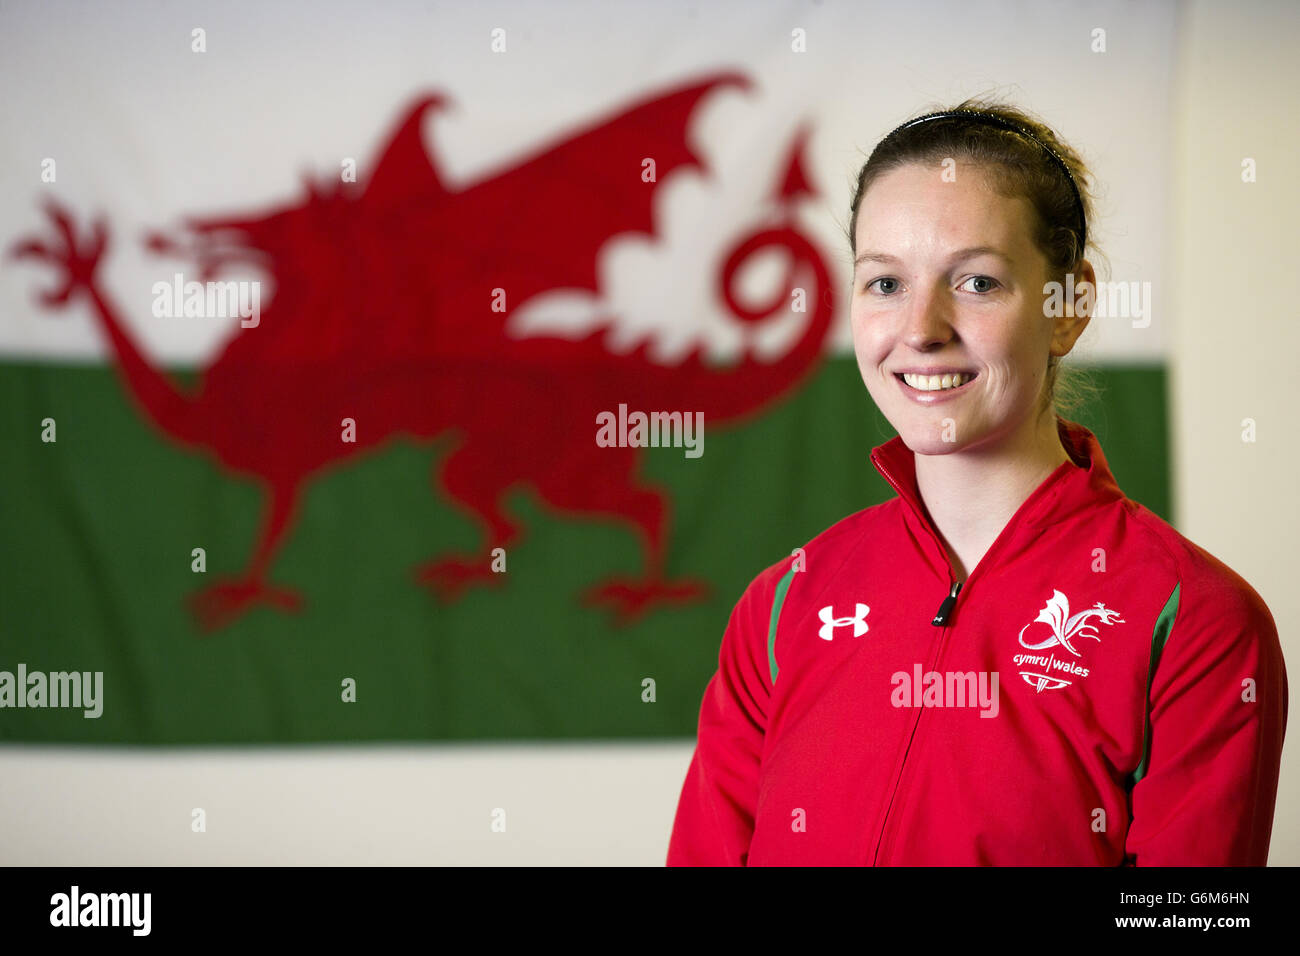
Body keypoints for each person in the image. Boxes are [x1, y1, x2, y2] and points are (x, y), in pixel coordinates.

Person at [666, 100, 1287, 866]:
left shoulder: (1191, 619)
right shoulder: (784, 605)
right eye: (885, 283)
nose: (921, 327)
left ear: (1068, 307)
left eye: (978, 281)